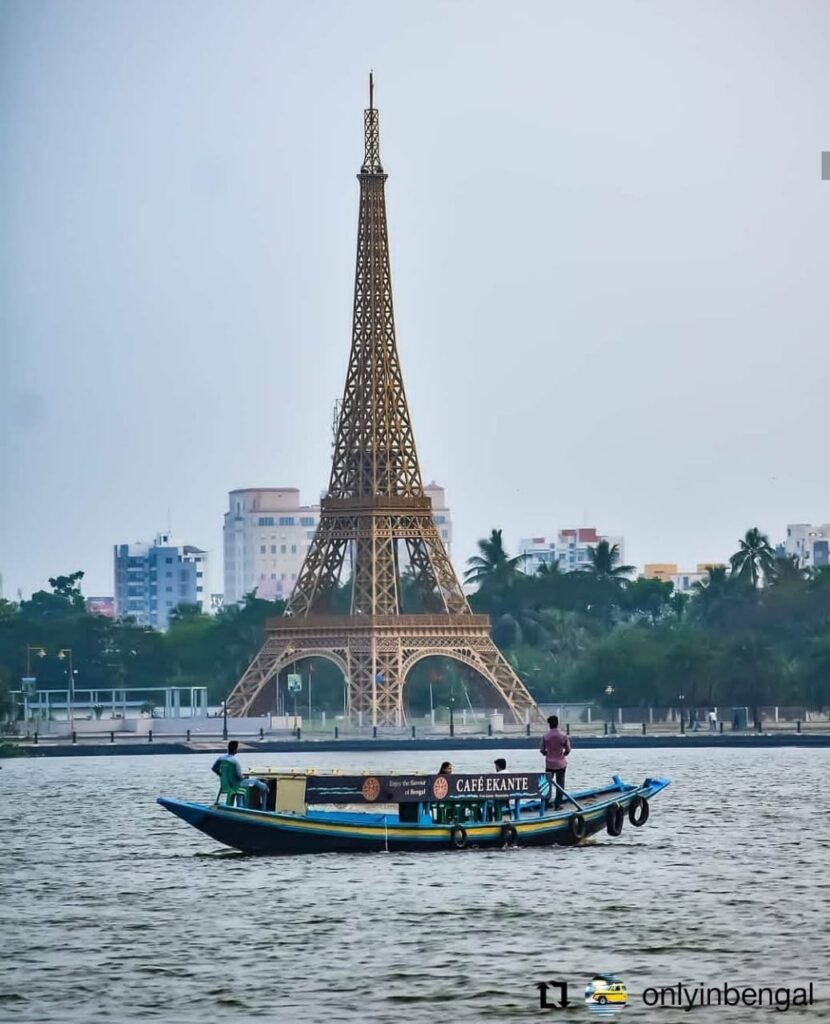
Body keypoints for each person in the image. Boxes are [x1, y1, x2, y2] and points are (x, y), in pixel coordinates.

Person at [212, 740, 270, 809]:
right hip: (236, 784)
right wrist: (244, 777)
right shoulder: (234, 762)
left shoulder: (221, 758)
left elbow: (214, 768)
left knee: (244, 785)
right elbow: (239, 777)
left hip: (226, 784)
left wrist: (221, 775)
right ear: (235, 750)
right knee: (255, 782)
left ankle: (239, 805)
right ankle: (266, 792)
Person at [539, 715, 571, 810]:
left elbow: (541, 750)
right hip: (561, 763)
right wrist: (563, 754)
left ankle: (545, 803)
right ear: (557, 723)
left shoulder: (545, 736)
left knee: (547, 784)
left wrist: (547, 754)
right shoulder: (563, 736)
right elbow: (568, 749)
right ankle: (558, 804)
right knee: (560, 784)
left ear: (549, 724)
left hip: (549, 763)